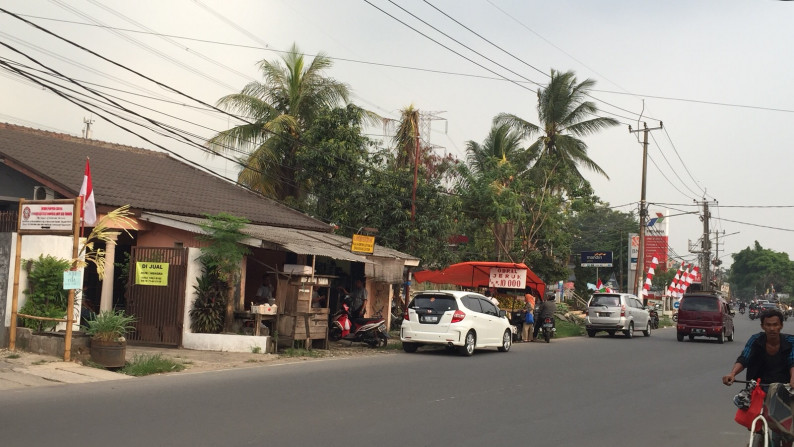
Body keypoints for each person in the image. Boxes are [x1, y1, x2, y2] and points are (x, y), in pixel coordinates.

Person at [723, 308, 794, 446]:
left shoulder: (791, 341)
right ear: (763, 326)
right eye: (768, 325)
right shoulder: (756, 340)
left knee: (787, 434)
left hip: (784, 390)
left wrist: (793, 379)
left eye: (775, 324)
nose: (772, 328)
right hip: (758, 388)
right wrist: (732, 374)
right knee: (755, 424)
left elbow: (793, 361)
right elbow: (744, 358)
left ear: (781, 325)